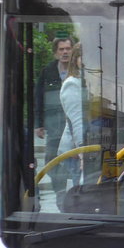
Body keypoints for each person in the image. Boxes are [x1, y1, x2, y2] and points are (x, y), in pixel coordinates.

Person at [35, 37, 74, 195]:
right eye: (61, 49)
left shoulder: (79, 70)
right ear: (55, 53)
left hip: (74, 127)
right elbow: (39, 96)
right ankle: (60, 194)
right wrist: (39, 123)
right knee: (52, 161)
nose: (65, 52)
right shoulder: (48, 71)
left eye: (68, 49)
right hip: (54, 126)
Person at [56, 44, 87, 197]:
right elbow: (77, 121)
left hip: (90, 147)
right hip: (78, 152)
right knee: (82, 196)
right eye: (84, 57)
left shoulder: (89, 81)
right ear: (76, 59)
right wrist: (83, 154)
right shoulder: (72, 84)